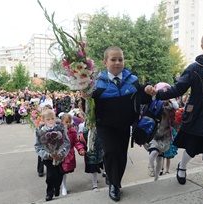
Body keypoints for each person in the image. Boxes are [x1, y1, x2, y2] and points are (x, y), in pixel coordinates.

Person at [145, 28, 203, 203]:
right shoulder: (193, 68)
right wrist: (156, 93)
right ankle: (182, 166)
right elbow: (178, 89)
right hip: (197, 115)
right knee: (192, 148)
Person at [91, 46, 151, 201]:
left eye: (120, 59)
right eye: (113, 59)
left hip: (125, 125)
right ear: (105, 62)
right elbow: (88, 106)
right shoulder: (96, 84)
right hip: (105, 125)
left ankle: (116, 180)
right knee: (110, 151)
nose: (117, 62)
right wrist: (84, 98)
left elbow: (143, 98)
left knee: (121, 154)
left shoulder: (133, 80)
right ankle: (114, 185)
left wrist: (149, 90)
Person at [144, 82, 179, 181]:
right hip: (154, 134)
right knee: (154, 151)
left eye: (167, 95)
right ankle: (150, 166)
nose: (165, 98)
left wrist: (173, 101)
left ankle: (156, 177)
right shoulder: (154, 103)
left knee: (160, 158)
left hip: (165, 134)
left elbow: (176, 109)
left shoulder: (170, 106)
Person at [34, 109, 70, 202]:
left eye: (52, 118)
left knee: (60, 173)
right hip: (48, 157)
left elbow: (66, 143)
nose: (50, 121)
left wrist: (61, 153)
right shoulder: (40, 131)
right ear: (43, 120)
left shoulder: (60, 129)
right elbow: (38, 146)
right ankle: (49, 192)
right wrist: (48, 155)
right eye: (48, 119)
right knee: (51, 174)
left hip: (59, 157)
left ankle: (57, 187)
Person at [60, 113, 85, 196]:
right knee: (59, 171)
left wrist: (80, 149)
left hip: (68, 154)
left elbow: (76, 142)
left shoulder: (72, 131)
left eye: (69, 122)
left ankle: (63, 186)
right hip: (60, 154)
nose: (68, 124)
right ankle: (60, 185)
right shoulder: (59, 131)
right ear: (62, 122)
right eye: (66, 122)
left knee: (64, 171)